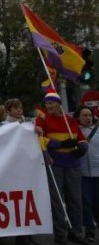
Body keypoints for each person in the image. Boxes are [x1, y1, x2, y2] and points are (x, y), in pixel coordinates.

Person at [35, 90, 88, 245]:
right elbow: (40, 138)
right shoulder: (42, 119)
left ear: (58, 104)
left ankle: (76, 232)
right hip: (55, 163)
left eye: (51, 103)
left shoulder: (70, 121)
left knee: (75, 200)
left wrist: (81, 150)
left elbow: (82, 140)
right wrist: (59, 144)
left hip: (72, 164)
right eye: (46, 103)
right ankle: (61, 235)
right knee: (57, 201)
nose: (48, 106)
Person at [77, 105, 99, 241]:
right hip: (83, 173)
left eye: (90, 115)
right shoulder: (74, 131)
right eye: (84, 115)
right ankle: (89, 230)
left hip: (98, 172)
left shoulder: (97, 131)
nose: (88, 118)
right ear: (78, 117)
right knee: (86, 203)